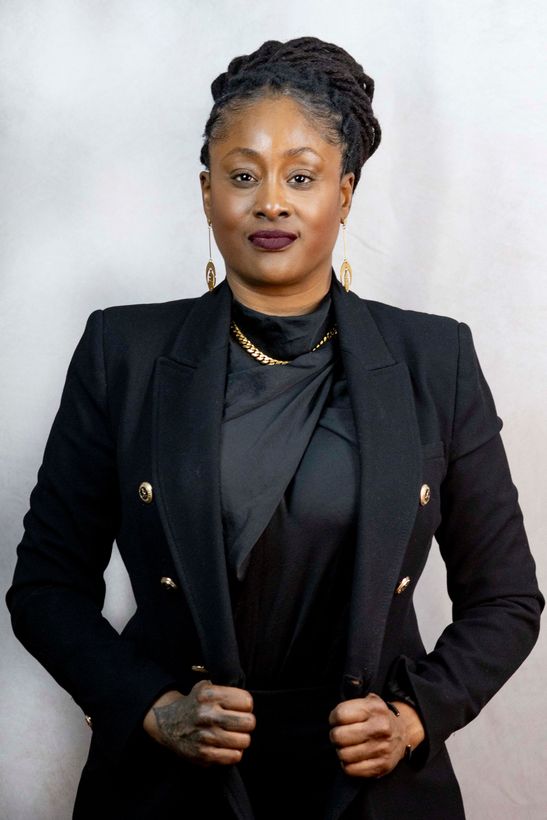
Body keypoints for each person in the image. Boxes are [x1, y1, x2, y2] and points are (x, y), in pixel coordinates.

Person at [6, 36, 543, 820]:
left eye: (301, 176)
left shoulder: (436, 359)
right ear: (205, 192)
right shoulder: (123, 353)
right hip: (175, 785)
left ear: (345, 194)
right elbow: (45, 587)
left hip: (368, 785)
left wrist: (416, 716)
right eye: (242, 175)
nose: (271, 202)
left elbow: (505, 596)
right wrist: (153, 707)